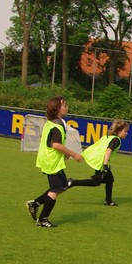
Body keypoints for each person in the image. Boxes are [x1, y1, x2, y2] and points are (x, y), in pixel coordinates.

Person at [26, 96, 83, 228]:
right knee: (56, 189)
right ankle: (42, 220)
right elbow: (56, 145)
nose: (67, 107)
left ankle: (35, 203)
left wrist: (64, 154)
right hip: (51, 161)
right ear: (57, 109)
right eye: (64, 105)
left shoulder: (52, 122)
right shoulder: (57, 126)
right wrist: (74, 154)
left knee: (62, 186)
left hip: (51, 159)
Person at [67, 120, 129, 206]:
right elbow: (108, 152)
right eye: (125, 131)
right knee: (96, 182)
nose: (126, 133)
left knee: (110, 180)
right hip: (101, 164)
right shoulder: (116, 140)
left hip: (99, 162)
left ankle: (108, 200)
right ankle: (73, 182)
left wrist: (83, 155)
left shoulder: (107, 137)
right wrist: (105, 166)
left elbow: (95, 147)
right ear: (119, 131)